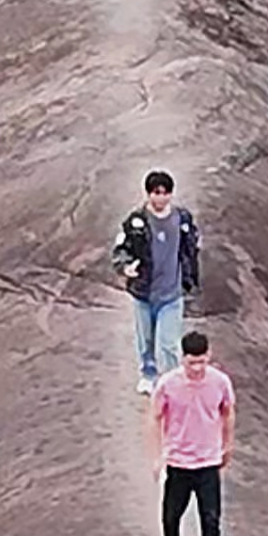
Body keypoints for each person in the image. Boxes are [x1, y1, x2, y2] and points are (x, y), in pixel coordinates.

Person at [152, 328, 234, 536]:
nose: (197, 368)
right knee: (171, 516)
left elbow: (227, 411)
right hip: (178, 462)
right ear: (182, 359)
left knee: (211, 520)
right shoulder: (168, 384)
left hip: (208, 462)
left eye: (202, 361)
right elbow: (154, 417)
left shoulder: (220, 382)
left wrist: (228, 443)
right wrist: (157, 455)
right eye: (192, 362)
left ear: (209, 356)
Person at [112, 169, 200, 394]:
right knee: (146, 339)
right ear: (148, 194)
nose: (160, 197)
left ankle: (171, 381)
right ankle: (148, 375)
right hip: (144, 292)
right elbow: (121, 249)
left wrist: (190, 274)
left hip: (172, 293)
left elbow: (192, 246)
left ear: (171, 194)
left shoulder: (183, 219)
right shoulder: (136, 222)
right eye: (155, 192)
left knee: (169, 344)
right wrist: (125, 267)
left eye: (164, 193)